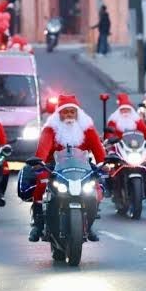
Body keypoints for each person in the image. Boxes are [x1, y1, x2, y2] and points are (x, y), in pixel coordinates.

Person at [28, 94, 106, 242]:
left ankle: (88, 225)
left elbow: (98, 148)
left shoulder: (87, 128)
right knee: (42, 184)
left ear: (77, 113)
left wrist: (104, 163)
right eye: (65, 112)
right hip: (55, 168)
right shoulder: (50, 129)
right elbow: (43, 150)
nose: (69, 115)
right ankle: (38, 224)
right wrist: (39, 162)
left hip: (82, 169)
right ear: (59, 114)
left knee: (95, 189)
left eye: (72, 111)